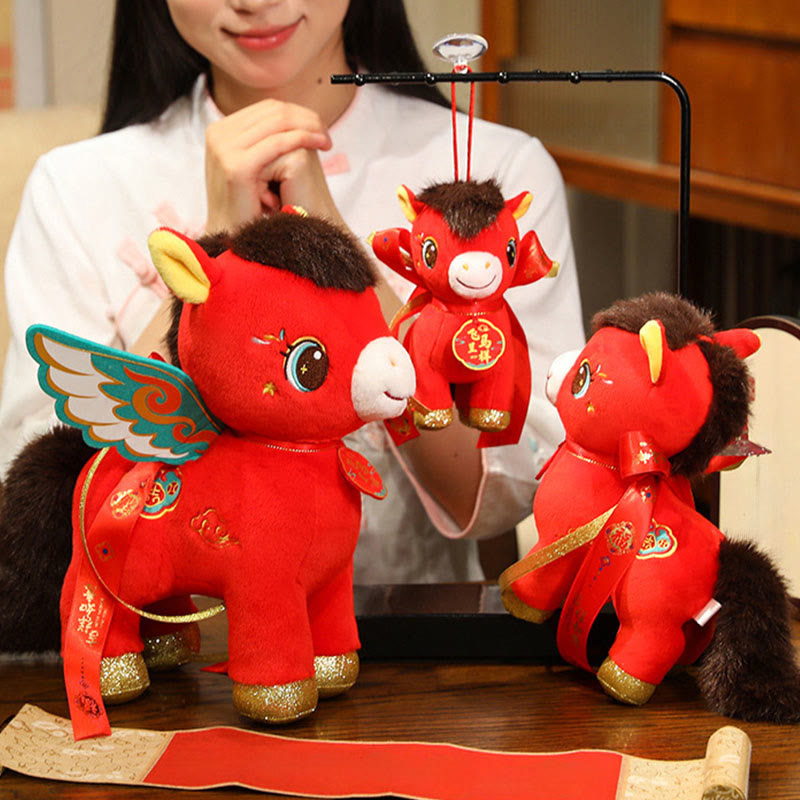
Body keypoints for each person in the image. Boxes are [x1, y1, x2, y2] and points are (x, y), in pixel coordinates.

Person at [0, 0, 584, 584]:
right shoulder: (73, 187)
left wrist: (341, 253)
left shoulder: (494, 174)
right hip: (169, 645)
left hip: (409, 644)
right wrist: (217, 246)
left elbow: (505, 496)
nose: (254, 1)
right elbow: (51, 505)